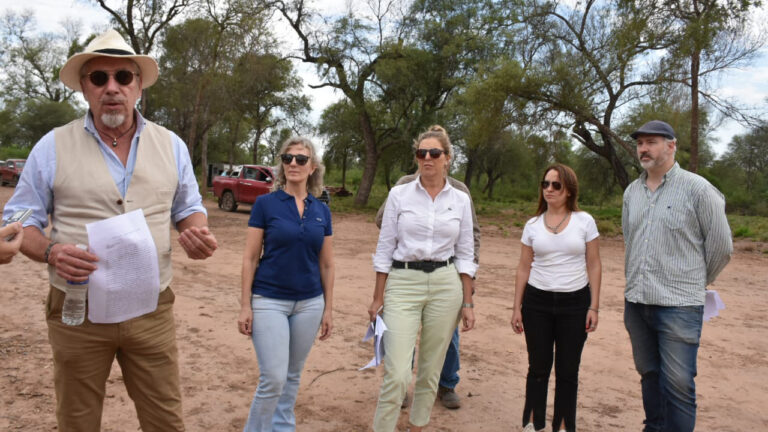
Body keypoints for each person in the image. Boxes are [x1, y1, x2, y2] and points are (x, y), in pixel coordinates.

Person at [2, 29, 218, 431]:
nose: (112, 88)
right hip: (76, 311)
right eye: (99, 78)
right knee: (78, 422)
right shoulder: (51, 146)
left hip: (152, 309)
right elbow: (18, 221)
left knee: (166, 421)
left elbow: (188, 207)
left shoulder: (171, 146)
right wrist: (49, 251)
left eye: (123, 76)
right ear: (85, 87)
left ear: (139, 86)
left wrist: (197, 232)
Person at [623, 120, 732, 432]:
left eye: (652, 142)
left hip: (679, 306)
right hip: (637, 302)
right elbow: (631, 241)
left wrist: (694, 282)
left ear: (671, 146)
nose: (644, 148)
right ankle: (654, 427)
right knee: (649, 375)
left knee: (679, 384)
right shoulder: (632, 192)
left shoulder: (698, 189)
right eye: (640, 143)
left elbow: (722, 247)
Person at [370, 125, 476, 432]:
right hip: (403, 282)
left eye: (434, 153)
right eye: (421, 153)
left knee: (430, 372)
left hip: (446, 284)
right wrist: (378, 297)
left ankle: (417, 426)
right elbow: (384, 248)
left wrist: (468, 301)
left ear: (447, 158)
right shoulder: (399, 193)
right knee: (398, 373)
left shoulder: (460, 199)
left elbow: (466, 253)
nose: (427, 158)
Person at [237, 136, 334, 432]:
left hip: (310, 303)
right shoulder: (266, 204)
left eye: (301, 159)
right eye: (287, 158)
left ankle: (282, 428)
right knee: (273, 378)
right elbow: (250, 258)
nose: (293, 163)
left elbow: (327, 264)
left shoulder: (321, 210)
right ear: (281, 165)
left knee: (292, 375)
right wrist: (245, 305)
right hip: (269, 300)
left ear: (312, 167)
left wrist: (329, 309)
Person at [510, 163, 601, 432]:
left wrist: (594, 306)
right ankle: (533, 423)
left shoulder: (585, 221)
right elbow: (523, 266)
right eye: (545, 184)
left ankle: (562, 426)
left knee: (567, 370)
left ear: (569, 190)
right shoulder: (532, 225)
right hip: (536, 302)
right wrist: (517, 307)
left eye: (556, 185)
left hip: (575, 303)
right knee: (538, 366)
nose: (549, 189)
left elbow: (594, 264)